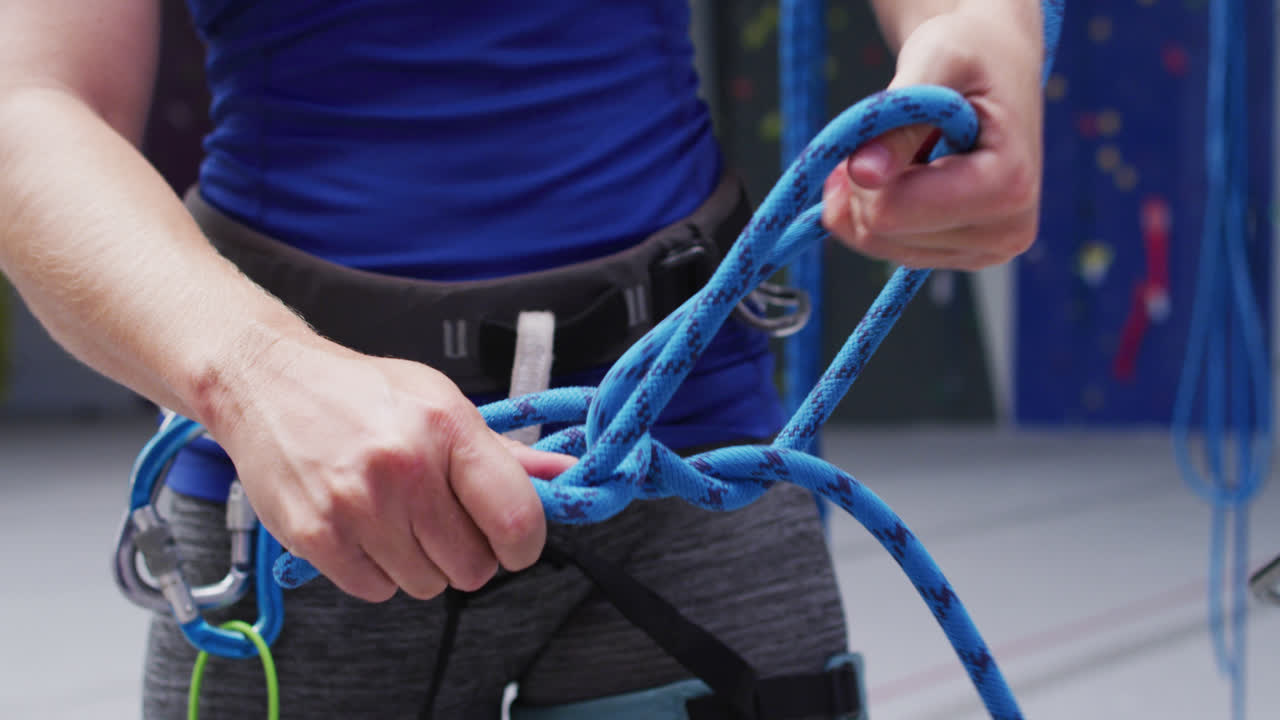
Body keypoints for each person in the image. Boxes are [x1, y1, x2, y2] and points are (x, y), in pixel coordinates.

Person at [0, 0, 1046, 717]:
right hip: (298, 497)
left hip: (681, 445)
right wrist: (256, 373)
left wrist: (977, 30)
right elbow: (29, 105)